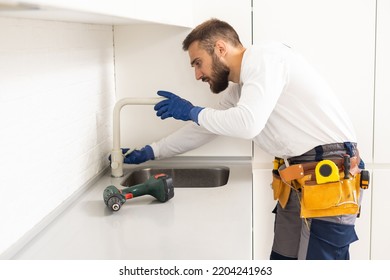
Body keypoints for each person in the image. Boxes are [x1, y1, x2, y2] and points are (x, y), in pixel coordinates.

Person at [120, 18, 366, 260]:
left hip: (327, 174)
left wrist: (192, 111)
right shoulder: (242, 87)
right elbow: (207, 126)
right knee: (283, 261)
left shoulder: (264, 59)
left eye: (198, 63)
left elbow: (248, 124)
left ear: (219, 48)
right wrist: (153, 151)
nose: (197, 75)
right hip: (299, 177)